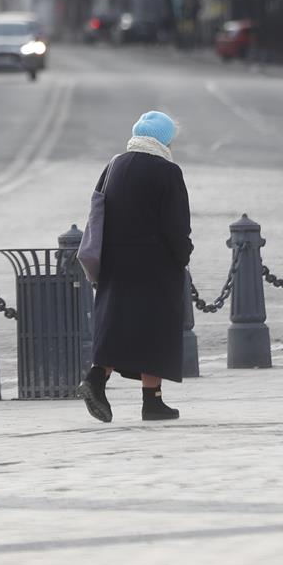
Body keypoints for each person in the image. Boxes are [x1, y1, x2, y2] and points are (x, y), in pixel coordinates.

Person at [82, 110, 193, 422]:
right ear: (163, 138)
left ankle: (97, 378)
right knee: (153, 332)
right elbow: (176, 226)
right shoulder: (166, 171)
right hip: (154, 266)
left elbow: (98, 211)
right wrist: (182, 255)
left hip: (115, 263)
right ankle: (151, 400)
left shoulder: (114, 165)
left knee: (118, 326)